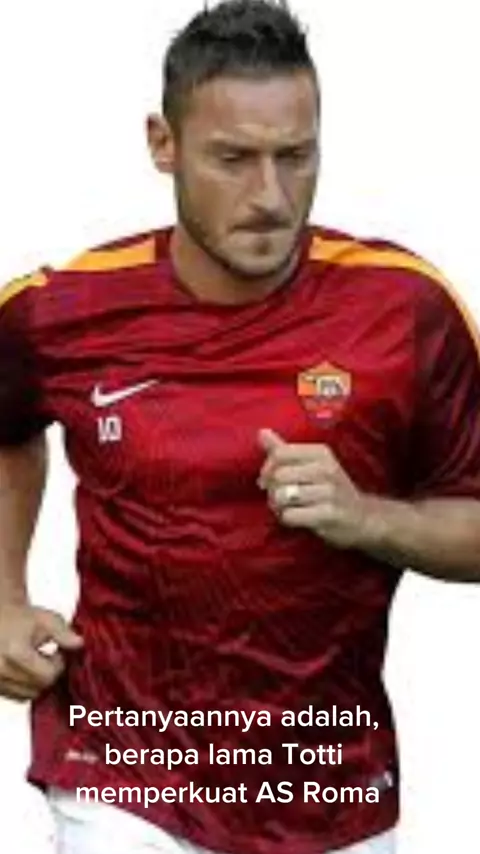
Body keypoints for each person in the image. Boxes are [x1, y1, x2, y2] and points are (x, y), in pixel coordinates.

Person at [0, 0, 479, 852]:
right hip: (124, 776)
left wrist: (369, 518)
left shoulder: (406, 309)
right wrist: (1, 597)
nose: (270, 197)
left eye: (296, 157)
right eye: (233, 159)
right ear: (163, 144)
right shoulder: (61, 309)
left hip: (324, 783)